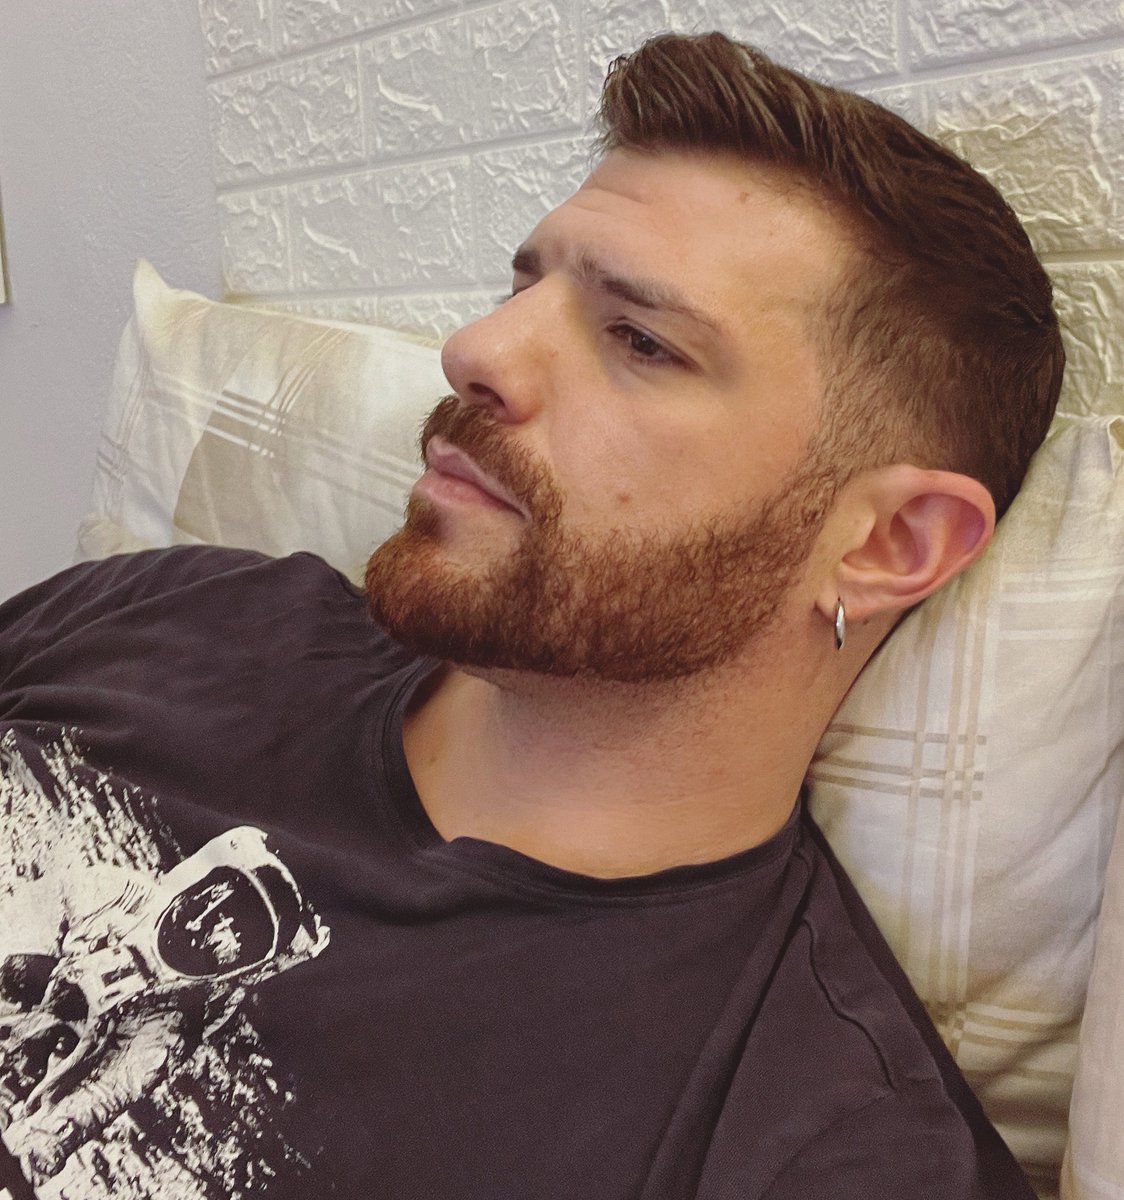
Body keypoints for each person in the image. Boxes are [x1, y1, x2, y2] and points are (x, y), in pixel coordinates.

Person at [0, 31, 1062, 1200]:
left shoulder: (818, 1148)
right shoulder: (179, 608)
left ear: (883, 545)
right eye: (521, 289)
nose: (474, 350)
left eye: (639, 340)